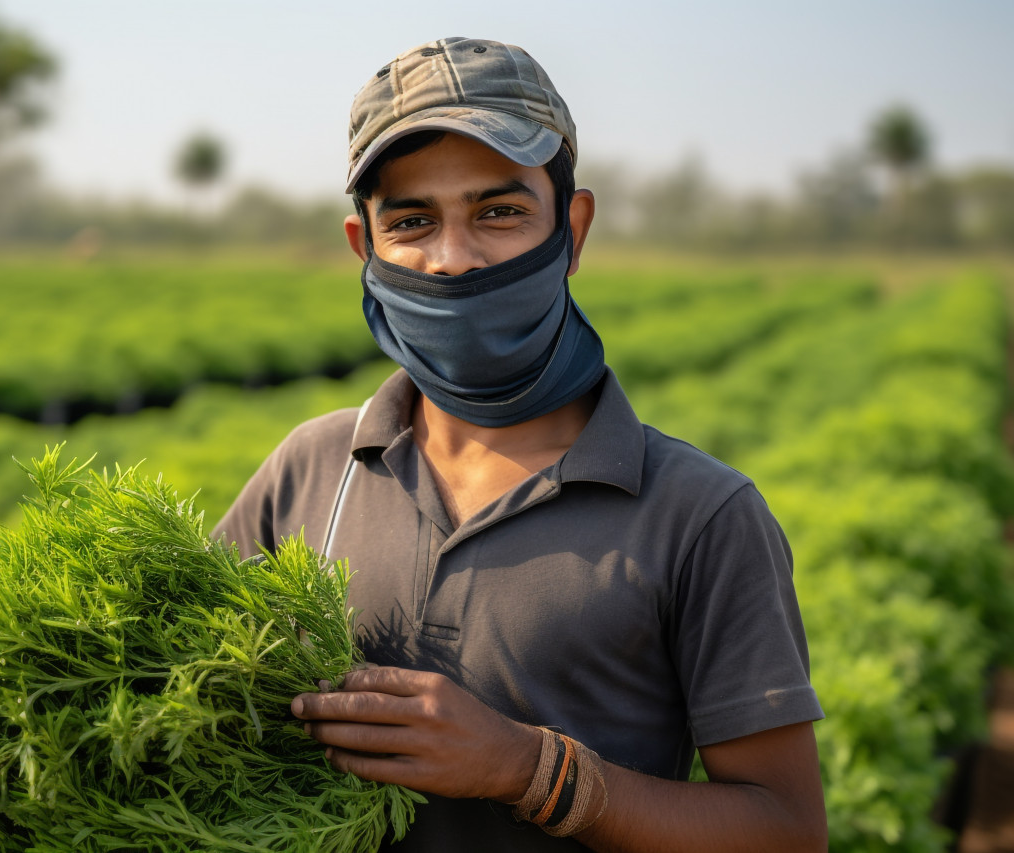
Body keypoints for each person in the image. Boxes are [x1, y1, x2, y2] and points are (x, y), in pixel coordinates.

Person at [215, 36, 826, 852]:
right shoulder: (313, 471)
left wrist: (530, 770)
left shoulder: (700, 515)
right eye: (411, 221)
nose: (455, 260)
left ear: (571, 230)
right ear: (365, 249)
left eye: (500, 212)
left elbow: (787, 830)